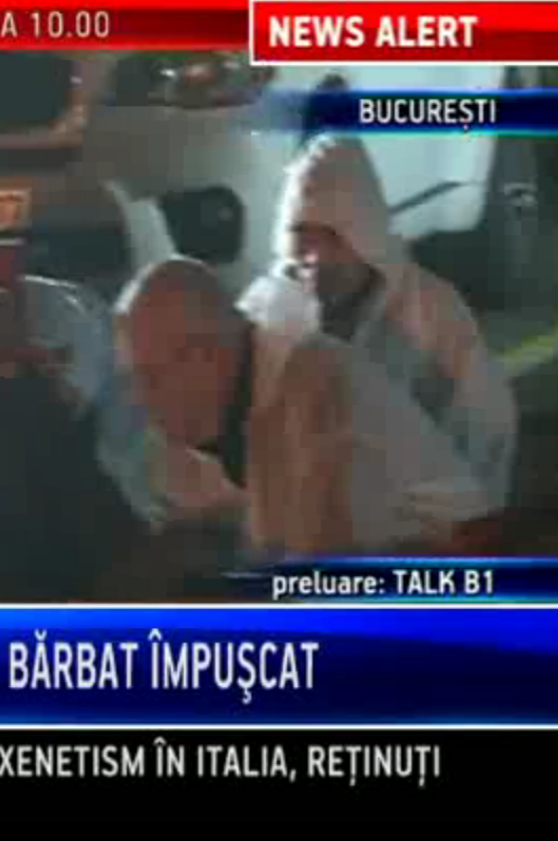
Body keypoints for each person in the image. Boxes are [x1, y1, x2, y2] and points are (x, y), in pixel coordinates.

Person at [115, 255, 493, 560]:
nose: (141, 399)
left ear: (204, 357)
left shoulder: (319, 391)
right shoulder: (204, 421)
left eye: (150, 377)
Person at [238, 133, 517, 510]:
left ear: (366, 236)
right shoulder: (264, 315)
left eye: (332, 235)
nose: (314, 256)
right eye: (301, 235)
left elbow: (486, 432)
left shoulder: (432, 316)